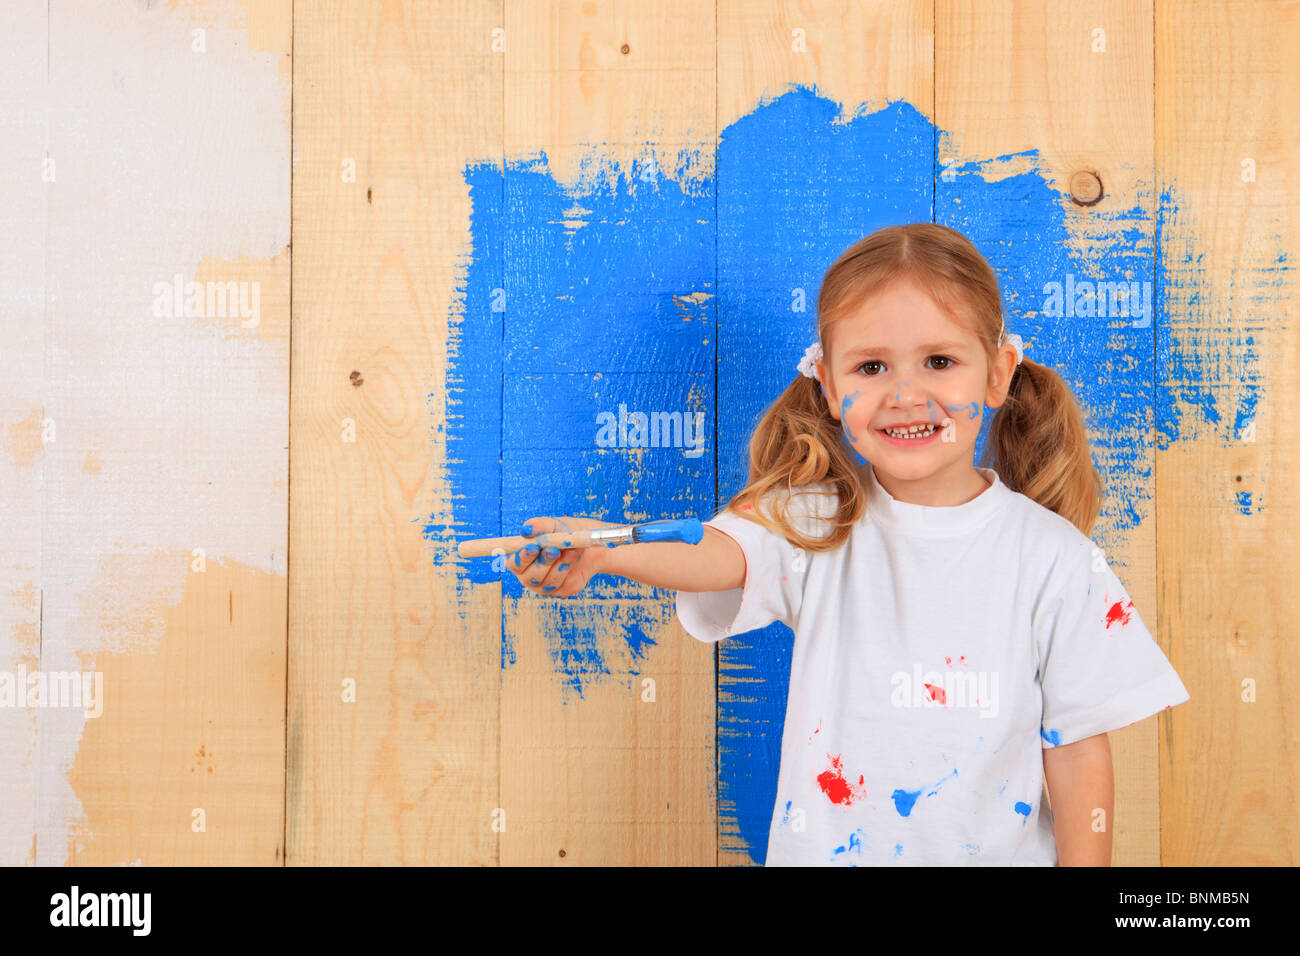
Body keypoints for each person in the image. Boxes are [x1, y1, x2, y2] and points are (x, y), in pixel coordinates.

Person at [506, 222, 1189, 866]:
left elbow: (1074, 751)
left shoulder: (1056, 558)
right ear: (829, 385)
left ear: (997, 373)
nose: (905, 394)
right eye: (870, 368)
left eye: (939, 361)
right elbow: (712, 555)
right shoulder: (814, 523)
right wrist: (604, 551)